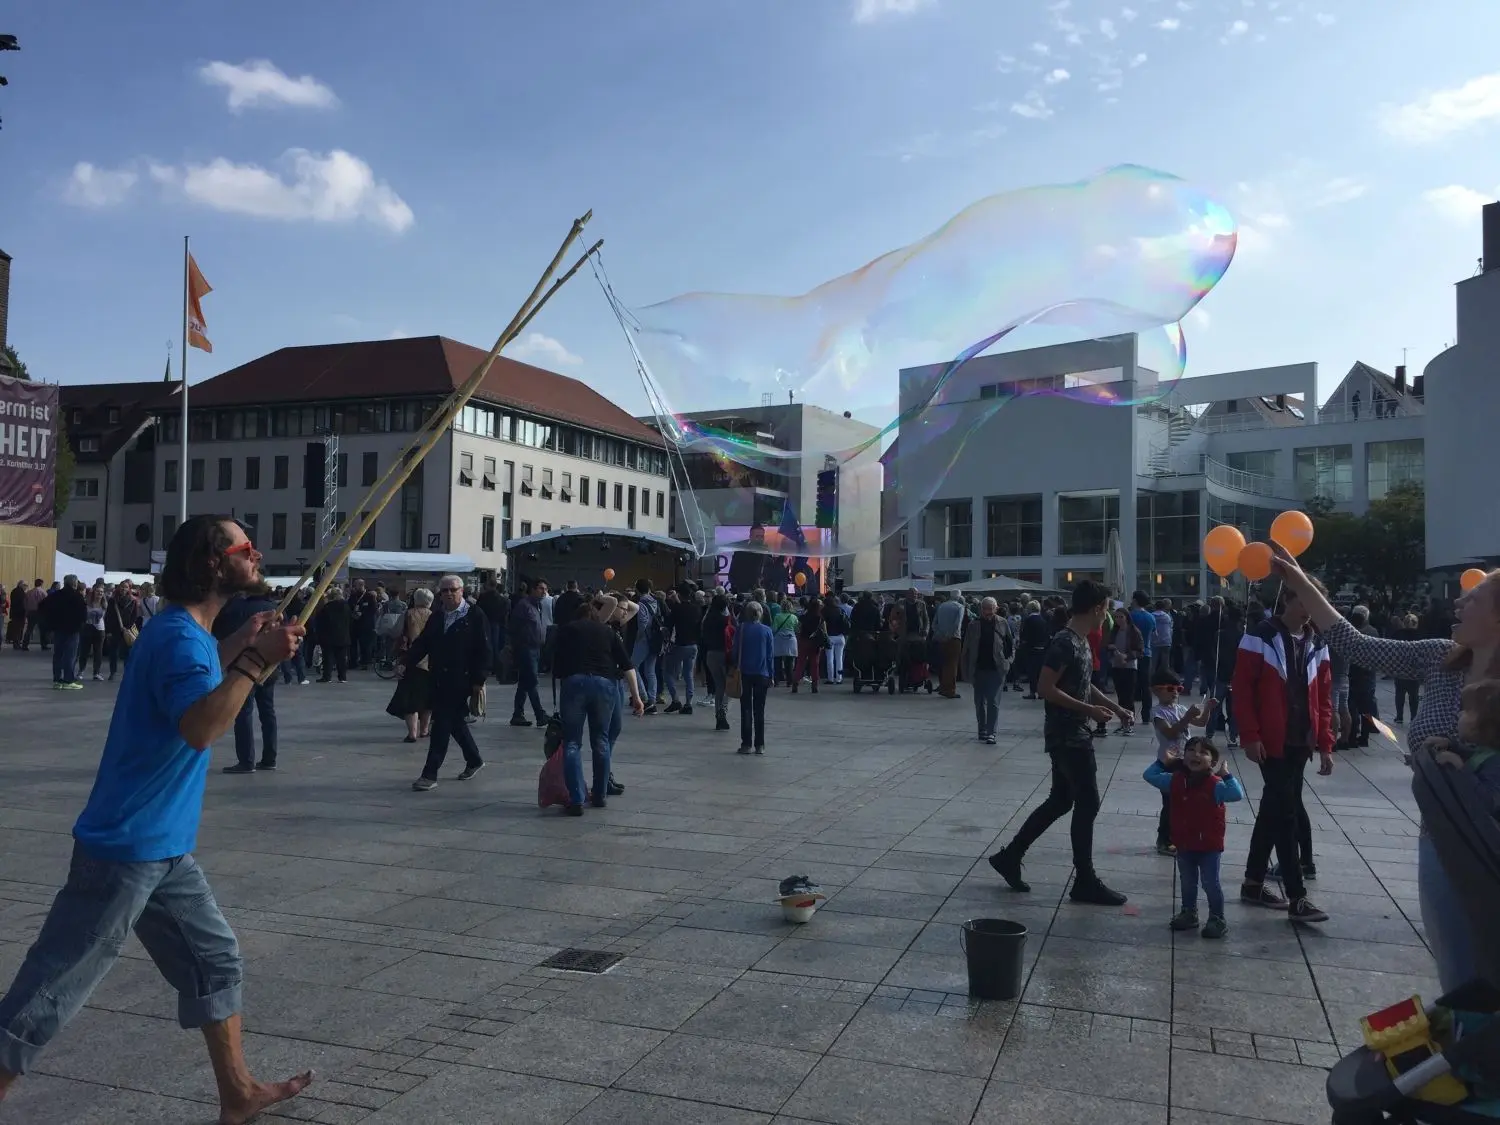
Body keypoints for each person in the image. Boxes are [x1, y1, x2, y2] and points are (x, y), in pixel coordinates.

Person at [0, 515, 311, 1122]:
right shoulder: (176, 637)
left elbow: (189, 691)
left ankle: (237, 1092)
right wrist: (252, 664)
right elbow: (199, 727)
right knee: (50, 991)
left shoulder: (185, 635)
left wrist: (239, 648)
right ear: (213, 563)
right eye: (247, 547)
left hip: (161, 848)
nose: (259, 554)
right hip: (126, 848)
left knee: (213, 961)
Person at [1272, 547, 1498, 989]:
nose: (1458, 603)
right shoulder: (1441, 658)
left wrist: (1465, 761)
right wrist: (1299, 581)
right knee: (1457, 976)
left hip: (1489, 845)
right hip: (1437, 838)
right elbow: (1357, 645)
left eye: (1474, 599)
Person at [988, 581, 1137, 905]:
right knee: (1087, 802)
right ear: (1097, 607)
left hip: (1073, 732)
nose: (1108, 615)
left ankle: (1010, 856)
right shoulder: (1064, 643)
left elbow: (1084, 686)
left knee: (1061, 801)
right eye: (1107, 608)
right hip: (1068, 735)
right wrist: (1089, 711)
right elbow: (1045, 687)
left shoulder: (1081, 641)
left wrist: (1114, 708)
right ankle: (1084, 879)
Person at [1232, 573, 1333, 923]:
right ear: (1287, 599)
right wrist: (1250, 734)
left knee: (1273, 809)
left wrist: (1325, 743)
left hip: (1300, 740)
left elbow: (1323, 695)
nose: (1309, 611)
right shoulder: (1259, 636)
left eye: (1314, 603)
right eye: (1304, 601)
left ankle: (1252, 881)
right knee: (1286, 812)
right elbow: (1242, 690)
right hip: (1271, 740)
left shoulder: (1317, 642)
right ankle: (1297, 896)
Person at [1143, 736, 1245, 939]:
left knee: (1210, 883)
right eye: (1191, 750)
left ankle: (1217, 918)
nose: (1196, 755)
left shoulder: (1215, 785)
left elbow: (1236, 794)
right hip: (1184, 843)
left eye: (1203, 752)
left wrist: (1227, 776)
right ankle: (1189, 912)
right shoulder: (1175, 780)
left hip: (1209, 846)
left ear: (1212, 762)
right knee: (1188, 881)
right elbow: (1150, 775)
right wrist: (1164, 762)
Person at [552, 595, 645, 814]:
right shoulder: (608, 632)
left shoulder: (567, 629)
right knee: (601, 740)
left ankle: (576, 799)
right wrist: (637, 697)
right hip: (604, 684)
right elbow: (627, 665)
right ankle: (600, 794)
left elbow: (553, 661)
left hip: (574, 682)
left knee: (572, 743)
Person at [405, 575, 490, 792]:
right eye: (445, 591)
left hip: (461, 678)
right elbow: (424, 642)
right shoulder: (438, 616)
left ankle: (429, 773)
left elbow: (484, 649)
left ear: (462, 591)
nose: (449, 594)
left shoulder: (474, 615)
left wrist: (479, 679)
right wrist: (406, 661)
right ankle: (474, 759)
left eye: (453, 589)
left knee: (441, 724)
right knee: (454, 723)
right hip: (438, 678)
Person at [214, 584, 281, 774]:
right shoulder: (274, 607)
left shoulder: (238, 608)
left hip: (244, 665)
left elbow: (222, 631)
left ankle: (246, 760)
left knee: (244, 712)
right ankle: (270, 757)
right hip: (269, 665)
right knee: (268, 712)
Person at [1148, 670, 1215, 855]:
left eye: (1178, 688)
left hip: (1185, 763)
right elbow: (1170, 732)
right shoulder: (1157, 712)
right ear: (1156, 691)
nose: (1175, 692)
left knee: (1185, 802)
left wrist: (1207, 708)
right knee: (1170, 803)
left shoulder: (1180, 709)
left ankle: (1179, 836)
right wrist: (1186, 718)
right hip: (1169, 763)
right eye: (1170, 688)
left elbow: (1201, 722)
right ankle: (1164, 839)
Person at [385, 588, 434, 743]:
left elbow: (395, 632)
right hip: (431, 661)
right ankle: (424, 730)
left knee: (410, 697)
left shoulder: (408, 613)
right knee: (427, 698)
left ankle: (412, 733)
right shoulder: (435, 616)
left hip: (410, 659)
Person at [961, 597, 1012, 744]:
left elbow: (1011, 645)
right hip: (978, 668)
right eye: (985, 609)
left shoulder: (1003, 623)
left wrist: (1008, 662)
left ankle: (991, 732)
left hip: (997, 668)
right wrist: (965, 670)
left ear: (996, 609)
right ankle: (982, 729)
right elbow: (966, 649)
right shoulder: (973, 625)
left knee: (993, 701)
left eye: (990, 609)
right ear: (980, 609)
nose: (987, 612)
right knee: (979, 702)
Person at [731, 601, 774, 754]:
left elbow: (735, 651)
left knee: (746, 709)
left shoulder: (741, 629)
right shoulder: (767, 631)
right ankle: (760, 745)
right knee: (759, 710)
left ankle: (746, 744)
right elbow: (770, 656)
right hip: (762, 673)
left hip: (745, 674)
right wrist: (772, 674)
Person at [508, 579, 548, 726]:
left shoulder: (538, 605)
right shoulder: (523, 606)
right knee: (532, 682)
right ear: (532, 589)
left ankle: (517, 714)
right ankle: (540, 714)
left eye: (545, 589)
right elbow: (513, 627)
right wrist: (516, 648)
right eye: (541, 588)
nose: (544, 592)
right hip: (525, 649)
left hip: (536, 648)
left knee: (525, 683)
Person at [45, 575, 88, 689]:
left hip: (58, 629)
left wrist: (51, 626)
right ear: (74, 583)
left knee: (58, 655)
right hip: (73, 630)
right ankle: (68, 680)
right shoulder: (77, 596)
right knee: (70, 655)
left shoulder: (56, 595)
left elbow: (45, 609)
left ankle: (57, 680)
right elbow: (83, 615)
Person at [700, 592, 734, 732]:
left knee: (719, 685)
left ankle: (718, 714)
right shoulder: (726, 620)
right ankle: (722, 713)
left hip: (710, 654)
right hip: (724, 654)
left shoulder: (707, 619)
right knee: (727, 687)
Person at [663, 588, 700, 715]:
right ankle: (688, 703)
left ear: (679, 595)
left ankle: (675, 700)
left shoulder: (677, 609)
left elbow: (668, 625)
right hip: (693, 645)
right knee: (688, 674)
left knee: (668, 672)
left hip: (680, 644)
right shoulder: (696, 609)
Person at [1128, 591, 1158, 723]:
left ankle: (1130, 714)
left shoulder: (1131, 616)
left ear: (1135, 600)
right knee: (1146, 685)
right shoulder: (1151, 617)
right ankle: (1147, 715)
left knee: (1131, 684)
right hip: (1147, 653)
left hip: (1131, 654)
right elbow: (1154, 634)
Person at [313, 587, 352, 683]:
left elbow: (320, 622)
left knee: (328, 658)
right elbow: (350, 620)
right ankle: (342, 677)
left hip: (328, 636)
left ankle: (327, 677)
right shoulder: (346, 606)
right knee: (341, 658)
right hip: (343, 635)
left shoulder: (327, 608)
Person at [931, 591, 966, 699]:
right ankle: (950, 690)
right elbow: (957, 624)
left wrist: (939, 634)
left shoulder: (941, 606)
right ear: (959, 597)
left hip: (940, 639)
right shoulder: (960, 607)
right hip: (954, 638)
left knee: (944, 664)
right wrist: (949, 635)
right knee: (952, 665)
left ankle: (942, 686)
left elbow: (934, 623)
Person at [790, 598, 825, 693]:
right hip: (815, 643)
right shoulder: (820, 618)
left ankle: (795, 682)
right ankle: (814, 685)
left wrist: (799, 638)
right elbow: (824, 632)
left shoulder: (803, 617)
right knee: (814, 664)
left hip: (804, 641)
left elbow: (798, 629)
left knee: (800, 663)